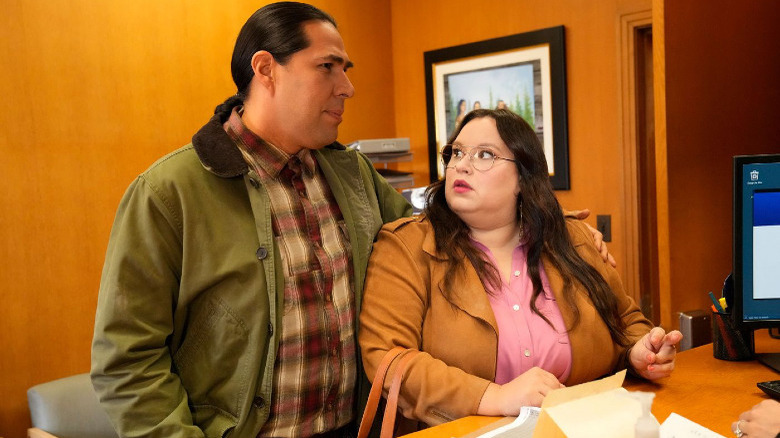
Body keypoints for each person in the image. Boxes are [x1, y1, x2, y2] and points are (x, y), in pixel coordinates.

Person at [90, 3, 411, 438]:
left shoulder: (354, 175)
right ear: (266, 69)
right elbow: (127, 360)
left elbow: (423, 243)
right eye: (327, 67)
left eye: (345, 68)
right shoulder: (167, 193)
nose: (347, 87)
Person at [358, 109, 682, 426]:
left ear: (522, 179)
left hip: (580, 425)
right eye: (456, 153)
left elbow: (625, 321)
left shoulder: (574, 238)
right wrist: (495, 397)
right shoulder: (406, 246)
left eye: (484, 155)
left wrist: (640, 353)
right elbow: (387, 358)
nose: (461, 166)